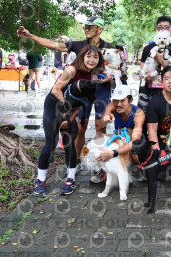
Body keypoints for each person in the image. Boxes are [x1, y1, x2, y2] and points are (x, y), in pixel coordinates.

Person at [18, 16, 117, 171]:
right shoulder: (78, 45)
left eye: (90, 27)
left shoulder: (110, 47)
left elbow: (117, 70)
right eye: (85, 26)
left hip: (102, 90)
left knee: (101, 127)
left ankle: (101, 166)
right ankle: (75, 162)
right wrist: (30, 36)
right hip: (82, 90)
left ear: (100, 29)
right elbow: (53, 44)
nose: (86, 29)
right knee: (81, 127)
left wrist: (110, 78)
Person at [33, 45, 105, 196]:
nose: (91, 60)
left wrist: (71, 117)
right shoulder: (71, 70)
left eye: (95, 57)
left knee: (69, 143)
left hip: (71, 109)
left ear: (99, 60)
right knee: (50, 142)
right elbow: (56, 90)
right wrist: (65, 113)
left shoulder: (93, 76)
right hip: (54, 104)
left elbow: (84, 101)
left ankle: (70, 179)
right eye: (88, 56)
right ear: (82, 56)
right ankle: (40, 180)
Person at [90, 85, 145, 183]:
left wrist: (113, 153)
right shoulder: (112, 106)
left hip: (135, 142)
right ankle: (103, 168)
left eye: (123, 100)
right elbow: (100, 126)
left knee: (135, 155)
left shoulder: (138, 113)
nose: (118, 104)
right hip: (120, 138)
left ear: (130, 100)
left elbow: (135, 141)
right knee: (99, 136)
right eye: (116, 100)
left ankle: (138, 165)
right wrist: (105, 120)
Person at [138, 16, 171, 111]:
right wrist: (145, 76)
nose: (163, 29)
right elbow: (142, 70)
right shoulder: (148, 48)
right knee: (145, 117)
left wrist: (161, 60)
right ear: (156, 30)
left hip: (170, 94)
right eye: (160, 27)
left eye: (166, 27)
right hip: (148, 92)